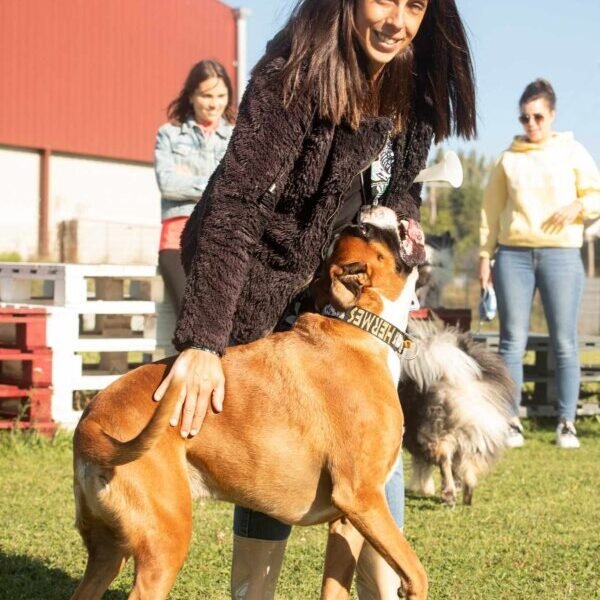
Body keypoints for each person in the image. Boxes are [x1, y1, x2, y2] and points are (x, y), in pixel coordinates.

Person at [155, 1, 476, 597]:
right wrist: (203, 341)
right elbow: (234, 207)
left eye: (415, 5)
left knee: (374, 451)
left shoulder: (412, 89)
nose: (397, 21)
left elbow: (399, 187)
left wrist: (401, 221)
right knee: (273, 460)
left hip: (338, 289)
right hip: (253, 284)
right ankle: (254, 592)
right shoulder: (292, 74)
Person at [479, 78, 600, 450]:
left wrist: (578, 206)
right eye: (524, 118)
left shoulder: (573, 152)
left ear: (552, 115)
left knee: (565, 342)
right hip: (512, 256)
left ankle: (567, 422)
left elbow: (595, 193)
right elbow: (490, 211)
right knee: (511, 342)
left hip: (561, 255)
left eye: (537, 117)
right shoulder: (508, 159)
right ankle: (511, 420)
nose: (530, 124)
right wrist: (485, 257)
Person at [154, 60, 235, 312]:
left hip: (220, 238)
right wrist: (213, 184)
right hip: (175, 241)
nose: (214, 103)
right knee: (189, 318)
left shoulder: (238, 136)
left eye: (221, 96)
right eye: (206, 95)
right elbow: (167, 184)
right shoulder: (169, 134)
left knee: (219, 321)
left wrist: (188, 182)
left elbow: (237, 188)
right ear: (191, 96)